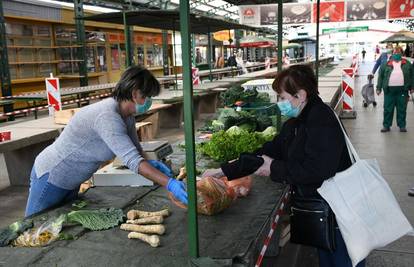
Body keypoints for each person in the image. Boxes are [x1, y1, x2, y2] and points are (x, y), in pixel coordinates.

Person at [202, 64, 365, 267]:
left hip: (340, 212)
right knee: (327, 256)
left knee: (342, 259)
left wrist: (274, 168)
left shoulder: (321, 121)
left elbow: (318, 170)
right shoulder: (295, 123)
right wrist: (223, 171)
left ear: (301, 94)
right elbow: (267, 152)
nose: (280, 103)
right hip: (324, 209)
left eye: (282, 97)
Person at [25, 66, 188, 217]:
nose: (149, 101)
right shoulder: (107, 116)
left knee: (57, 227)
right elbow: (132, 161)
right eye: (146, 96)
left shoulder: (127, 117)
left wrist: (151, 164)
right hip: (52, 176)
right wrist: (169, 184)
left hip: (72, 181)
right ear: (134, 93)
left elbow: (135, 150)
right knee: (33, 228)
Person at [376, 46, 413, 132]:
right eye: (395, 52)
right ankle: (386, 125)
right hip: (389, 91)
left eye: (399, 52)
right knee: (388, 109)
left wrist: (412, 87)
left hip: (402, 91)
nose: (397, 54)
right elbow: (380, 77)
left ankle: (402, 125)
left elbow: (412, 76)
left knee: (402, 109)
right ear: (392, 53)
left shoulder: (407, 64)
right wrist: (379, 88)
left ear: (402, 53)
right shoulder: (386, 64)